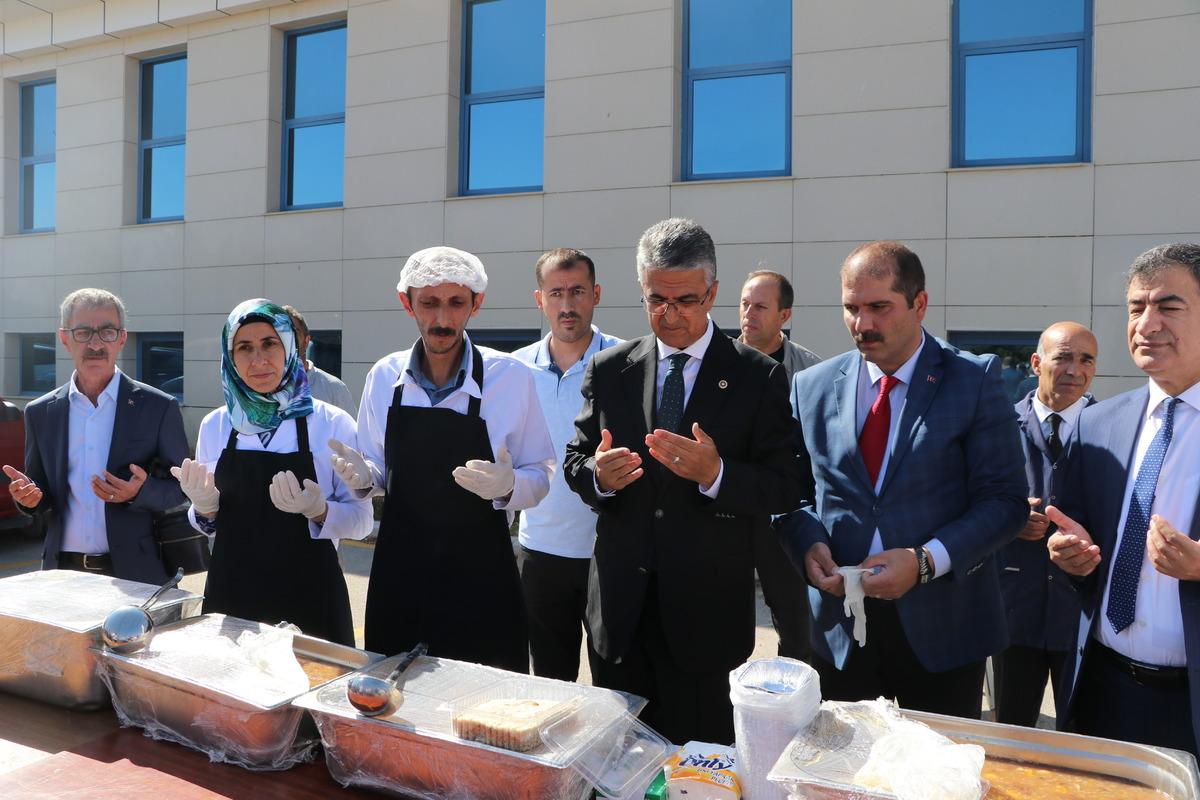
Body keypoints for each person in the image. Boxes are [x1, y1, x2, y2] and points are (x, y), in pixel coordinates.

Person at [563, 218, 805, 745]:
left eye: (686, 301)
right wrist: (598, 478)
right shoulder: (609, 368)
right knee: (618, 766)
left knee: (698, 773)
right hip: (620, 620)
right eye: (656, 300)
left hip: (705, 623)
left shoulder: (757, 375)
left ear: (713, 292)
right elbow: (576, 459)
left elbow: (787, 484)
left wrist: (717, 475)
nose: (668, 315)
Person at [776, 240, 1027, 719]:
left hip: (943, 627)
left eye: (879, 307)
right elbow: (791, 492)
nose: (863, 324)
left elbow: (1005, 502)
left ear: (920, 304)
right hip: (841, 629)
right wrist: (806, 542)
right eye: (851, 308)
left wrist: (925, 562)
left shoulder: (972, 380)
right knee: (843, 780)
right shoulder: (811, 386)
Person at [330, 246, 554, 671]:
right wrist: (362, 478)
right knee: (396, 702)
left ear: (477, 303)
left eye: (456, 303)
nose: (442, 319)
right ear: (406, 303)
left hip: (482, 577)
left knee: (486, 711)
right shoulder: (384, 377)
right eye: (429, 303)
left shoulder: (511, 378)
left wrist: (510, 486)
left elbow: (541, 474)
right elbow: (376, 471)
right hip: (400, 574)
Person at [1048, 243, 1200, 756]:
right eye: (1136, 308)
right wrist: (1072, 557)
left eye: (1169, 307)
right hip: (1100, 687)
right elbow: (1081, 543)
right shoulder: (1097, 423)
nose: (1147, 324)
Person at [172, 299, 371, 646]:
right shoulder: (216, 425)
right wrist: (203, 508)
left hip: (311, 595)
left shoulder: (332, 423)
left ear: (290, 347)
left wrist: (320, 510)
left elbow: (363, 521)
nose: (259, 360)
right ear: (229, 357)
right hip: (233, 598)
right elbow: (209, 523)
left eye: (270, 344)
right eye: (244, 348)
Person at [2, 289, 188, 584]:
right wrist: (28, 498)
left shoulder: (158, 407)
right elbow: (40, 491)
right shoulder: (40, 412)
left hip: (134, 573)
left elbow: (182, 488)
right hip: (62, 573)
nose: (96, 344)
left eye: (107, 332)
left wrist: (139, 492)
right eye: (84, 332)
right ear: (64, 339)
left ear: (122, 338)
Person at [513, 248, 622, 681]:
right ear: (539, 299)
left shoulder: (625, 362)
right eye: (555, 292)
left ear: (595, 295)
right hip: (539, 553)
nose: (567, 304)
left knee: (614, 683)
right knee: (550, 681)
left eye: (577, 291)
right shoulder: (516, 369)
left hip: (608, 554)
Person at [993, 322, 1097, 727]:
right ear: (1036, 363)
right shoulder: (997, 427)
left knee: (1083, 741)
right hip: (1012, 609)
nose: (1075, 370)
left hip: (1082, 616)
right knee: (1011, 737)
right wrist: (1009, 520)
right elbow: (969, 502)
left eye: (1086, 360)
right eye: (1063, 357)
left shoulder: (1114, 430)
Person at [738, 269, 821, 662]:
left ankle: (794, 712)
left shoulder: (809, 373)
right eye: (744, 304)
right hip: (728, 512)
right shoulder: (717, 362)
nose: (748, 314)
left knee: (797, 630)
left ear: (784, 315)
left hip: (785, 513)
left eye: (760, 306)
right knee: (725, 631)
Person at [281, 304, 355, 416]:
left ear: (306, 341)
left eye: (294, 331)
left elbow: (351, 431)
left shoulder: (334, 388)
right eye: (280, 333)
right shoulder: (259, 389)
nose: (287, 338)